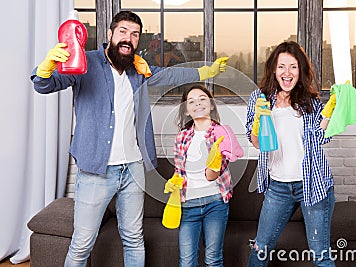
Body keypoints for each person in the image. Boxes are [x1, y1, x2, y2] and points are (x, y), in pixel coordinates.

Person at [30, 11, 228, 267]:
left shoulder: (138, 69)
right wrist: (45, 68)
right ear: (110, 34)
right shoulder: (85, 62)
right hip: (95, 172)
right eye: (123, 31)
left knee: (134, 239)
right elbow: (44, 85)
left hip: (133, 169)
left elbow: (170, 75)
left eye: (134, 34)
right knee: (81, 244)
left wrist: (204, 71)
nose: (128, 38)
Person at [246, 41, 337, 267]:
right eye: (281, 66)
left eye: (293, 67)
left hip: (313, 183)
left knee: (320, 255)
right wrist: (258, 122)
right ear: (274, 70)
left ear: (300, 71)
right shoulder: (259, 98)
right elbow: (256, 143)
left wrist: (330, 112)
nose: (287, 73)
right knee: (260, 249)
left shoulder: (311, 102)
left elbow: (322, 138)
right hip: (278, 187)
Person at [166, 84, 237, 267]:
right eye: (191, 101)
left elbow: (212, 176)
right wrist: (174, 183)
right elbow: (179, 171)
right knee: (187, 262)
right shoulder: (181, 137)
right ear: (187, 110)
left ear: (212, 105)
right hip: (188, 205)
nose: (197, 103)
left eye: (202, 99)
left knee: (213, 259)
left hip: (215, 203)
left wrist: (215, 159)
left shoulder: (222, 133)